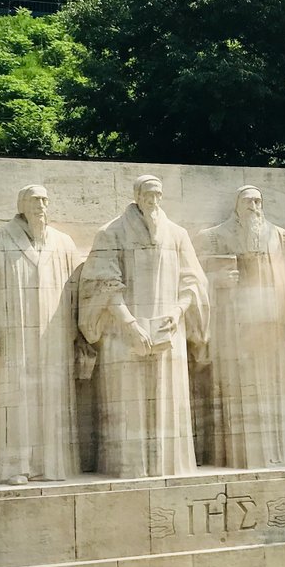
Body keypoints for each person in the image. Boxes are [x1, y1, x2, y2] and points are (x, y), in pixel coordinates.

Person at [78, 175, 209, 478]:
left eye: (158, 194)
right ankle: (130, 469)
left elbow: (193, 281)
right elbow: (101, 283)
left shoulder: (177, 234)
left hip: (168, 331)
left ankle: (171, 466)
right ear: (136, 196)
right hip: (123, 333)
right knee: (128, 406)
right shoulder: (111, 232)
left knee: (169, 404)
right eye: (148, 194)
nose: (153, 200)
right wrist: (129, 325)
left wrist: (177, 314)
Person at [0, 185, 81, 486]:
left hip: (53, 340)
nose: (41, 206)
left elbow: (78, 291)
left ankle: (49, 465)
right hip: (11, 341)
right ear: (21, 205)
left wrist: (81, 336)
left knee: (50, 400)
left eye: (45, 200)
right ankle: (13, 467)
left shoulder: (63, 244)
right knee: (13, 402)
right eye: (34, 200)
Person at [195, 186, 285, 469]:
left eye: (258, 201)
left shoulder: (281, 237)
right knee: (240, 385)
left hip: (274, 323)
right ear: (237, 206)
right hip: (236, 324)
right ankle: (242, 455)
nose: (254, 206)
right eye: (248, 201)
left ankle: (280, 454)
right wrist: (218, 280)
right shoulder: (216, 236)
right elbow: (196, 279)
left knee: (277, 386)